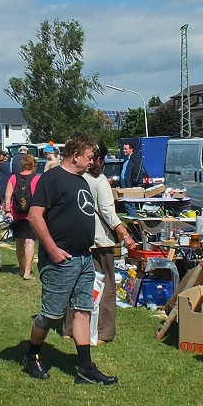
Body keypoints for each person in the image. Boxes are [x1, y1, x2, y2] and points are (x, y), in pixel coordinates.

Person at [22, 132, 117, 385]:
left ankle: (85, 367)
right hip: (61, 260)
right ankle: (32, 355)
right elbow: (34, 216)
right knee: (50, 315)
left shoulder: (82, 180)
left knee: (84, 311)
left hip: (84, 258)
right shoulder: (51, 179)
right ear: (75, 155)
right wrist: (52, 249)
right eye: (89, 157)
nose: (92, 162)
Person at [63, 142, 135, 344]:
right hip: (99, 242)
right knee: (106, 288)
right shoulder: (100, 180)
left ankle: (69, 329)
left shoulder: (74, 176)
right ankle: (103, 332)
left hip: (75, 239)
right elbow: (107, 211)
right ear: (101, 160)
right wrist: (124, 233)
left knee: (74, 285)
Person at [3, 154, 41, 280]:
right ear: (34, 165)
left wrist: (8, 210)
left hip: (16, 214)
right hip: (30, 214)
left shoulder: (14, 178)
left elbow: (8, 195)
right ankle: (27, 272)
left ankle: (21, 268)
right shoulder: (36, 179)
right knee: (30, 241)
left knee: (19, 242)